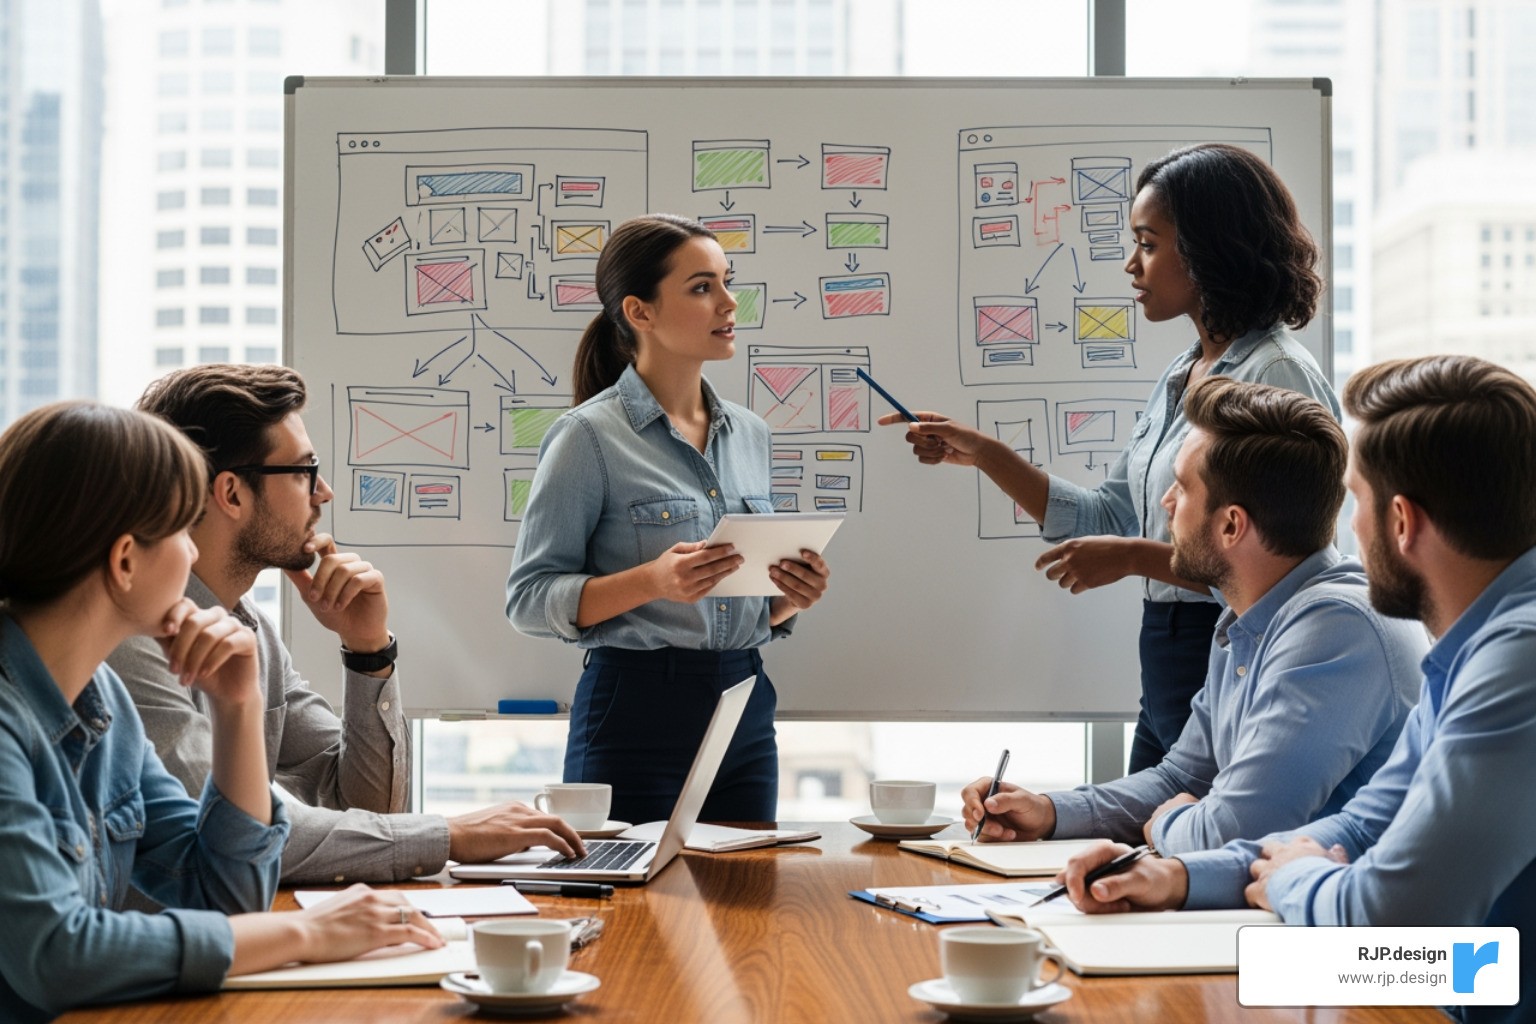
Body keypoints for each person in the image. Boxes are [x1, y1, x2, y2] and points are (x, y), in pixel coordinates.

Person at [1055, 355, 1536, 1024]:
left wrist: (1294, 879)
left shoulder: (1519, 662)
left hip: (1449, 986)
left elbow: (1396, 919)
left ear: (1402, 522)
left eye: (1358, 502)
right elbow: (1370, 824)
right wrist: (1181, 877)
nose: (1349, 529)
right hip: (1451, 983)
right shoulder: (1469, 653)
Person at [882, 143, 1339, 772]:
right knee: (1142, 839)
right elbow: (1109, 514)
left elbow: (1289, 563)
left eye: (1148, 244)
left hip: (1229, 649)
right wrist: (986, 454)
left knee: (1189, 851)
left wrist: (1134, 559)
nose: (1131, 265)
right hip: (1167, 653)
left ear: (1209, 248)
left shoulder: (1276, 371)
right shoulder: (1183, 374)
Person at [0, 402, 446, 1022]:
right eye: (183, 531)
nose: (192, 555)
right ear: (126, 560)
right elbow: (56, 955)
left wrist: (236, 706)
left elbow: (225, 896)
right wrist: (308, 935)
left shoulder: (104, 706)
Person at [111, 364, 583, 887]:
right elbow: (227, 834)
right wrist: (446, 835)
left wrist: (367, 650)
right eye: (303, 471)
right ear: (232, 494)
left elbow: (368, 803)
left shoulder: (253, 633)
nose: (324, 493)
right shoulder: (133, 645)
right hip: (176, 954)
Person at [960, 378, 1424, 854]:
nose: (1166, 504)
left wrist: (1166, 822)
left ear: (1230, 525)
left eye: (1180, 488)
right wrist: (1049, 811)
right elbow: (1183, 776)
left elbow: (1237, 830)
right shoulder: (1245, 620)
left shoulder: (1336, 630)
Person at [506, 214, 832, 825]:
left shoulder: (751, 434)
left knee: (745, 912)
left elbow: (741, 604)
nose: (730, 303)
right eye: (702, 287)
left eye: (727, 282)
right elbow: (528, 599)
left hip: (745, 704)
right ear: (640, 311)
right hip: (634, 711)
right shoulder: (587, 437)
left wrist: (790, 599)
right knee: (633, 916)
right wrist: (652, 582)